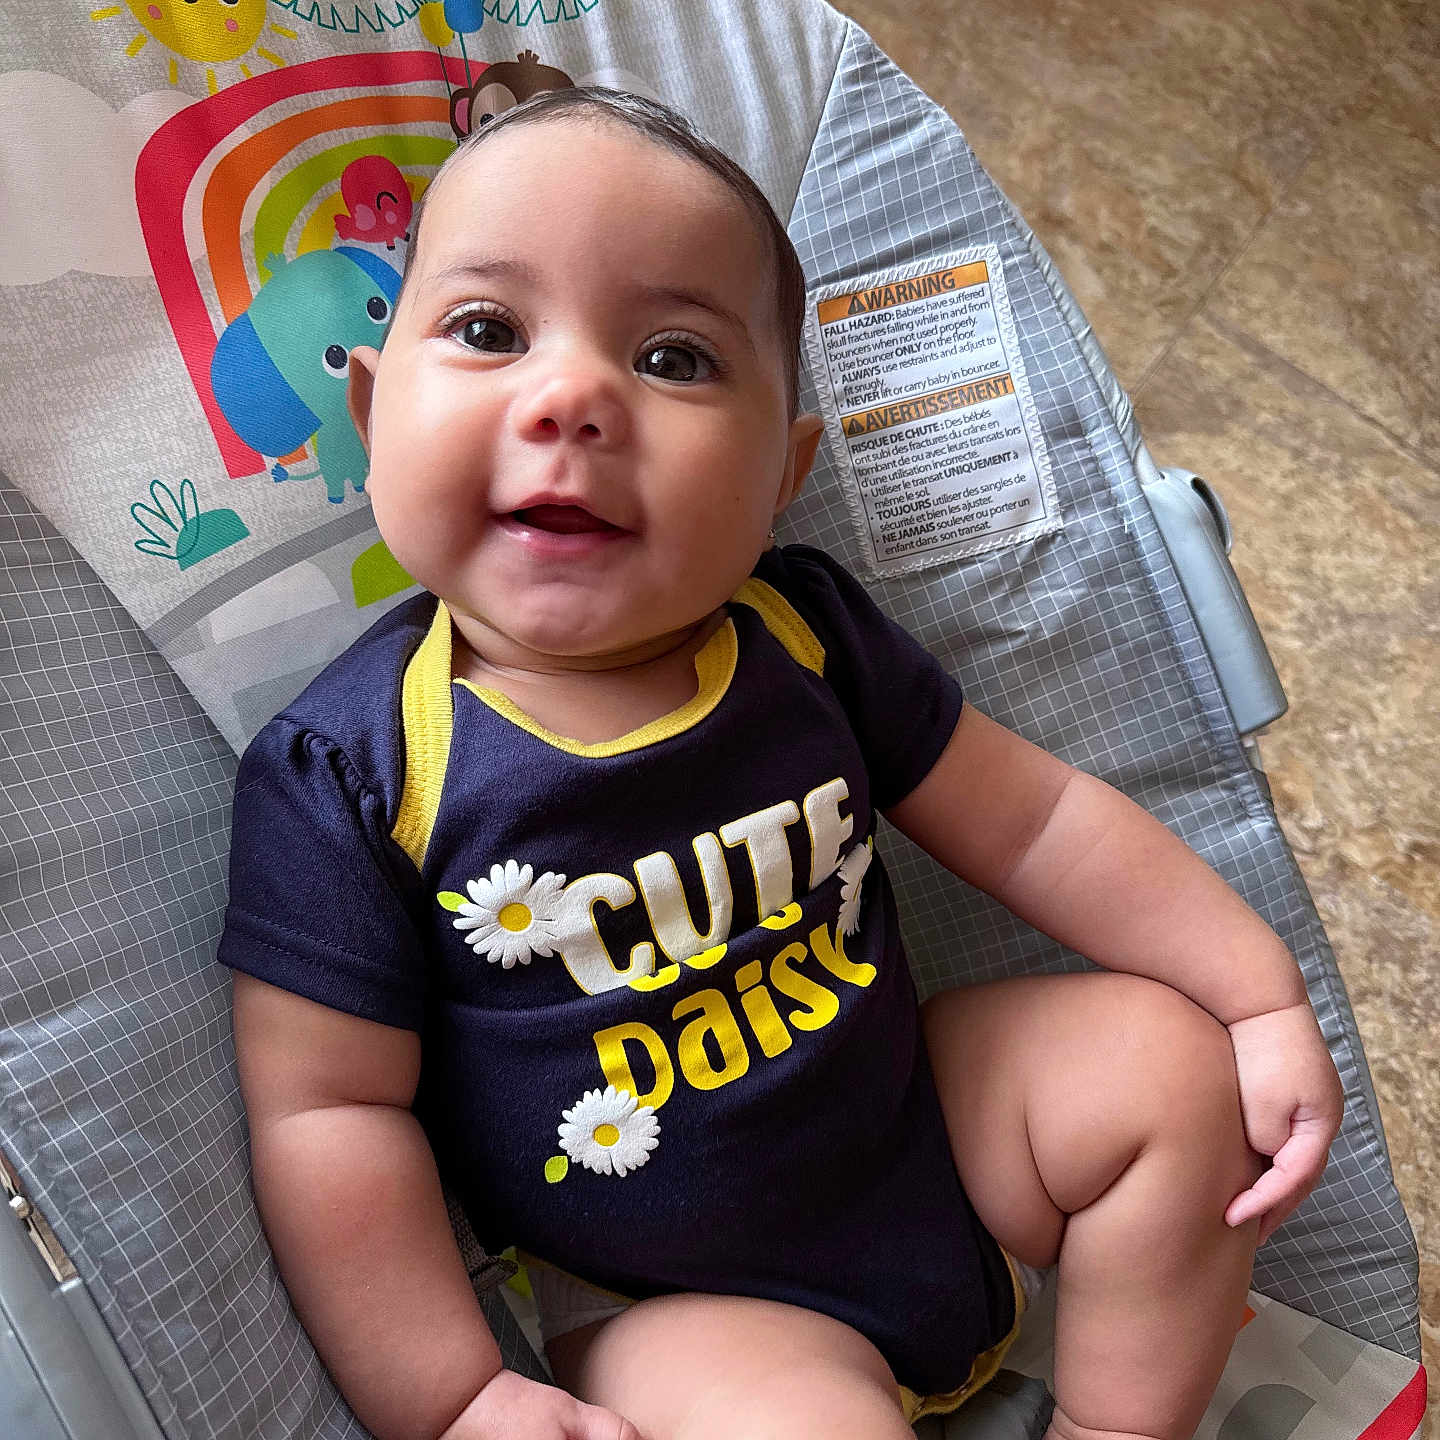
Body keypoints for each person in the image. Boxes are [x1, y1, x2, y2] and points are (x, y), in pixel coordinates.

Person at [220, 88, 1343, 1440]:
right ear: (368, 406)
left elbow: (1039, 823)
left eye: (675, 357)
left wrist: (1256, 998)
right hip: (679, 1304)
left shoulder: (805, 635)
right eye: (488, 331)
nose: (570, 398)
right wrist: (454, 1398)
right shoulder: (350, 772)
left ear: (780, 476)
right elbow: (330, 1113)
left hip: (933, 1132)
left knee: (1171, 1071)